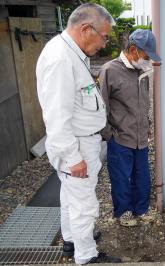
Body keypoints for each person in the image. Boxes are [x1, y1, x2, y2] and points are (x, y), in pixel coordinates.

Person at [36, 3, 121, 264]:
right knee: (84, 204)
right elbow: (56, 118)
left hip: (82, 141)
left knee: (70, 196)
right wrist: (73, 158)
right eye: (104, 36)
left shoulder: (72, 54)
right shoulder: (61, 58)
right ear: (86, 29)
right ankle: (87, 257)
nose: (104, 44)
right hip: (77, 145)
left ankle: (72, 241)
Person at [98, 29, 161, 227]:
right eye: (145, 56)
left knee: (142, 176)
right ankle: (123, 212)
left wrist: (147, 125)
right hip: (119, 137)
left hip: (140, 136)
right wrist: (108, 134)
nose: (147, 61)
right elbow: (101, 106)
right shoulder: (109, 70)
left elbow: (143, 104)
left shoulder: (141, 71)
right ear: (133, 49)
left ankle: (140, 209)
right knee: (121, 178)